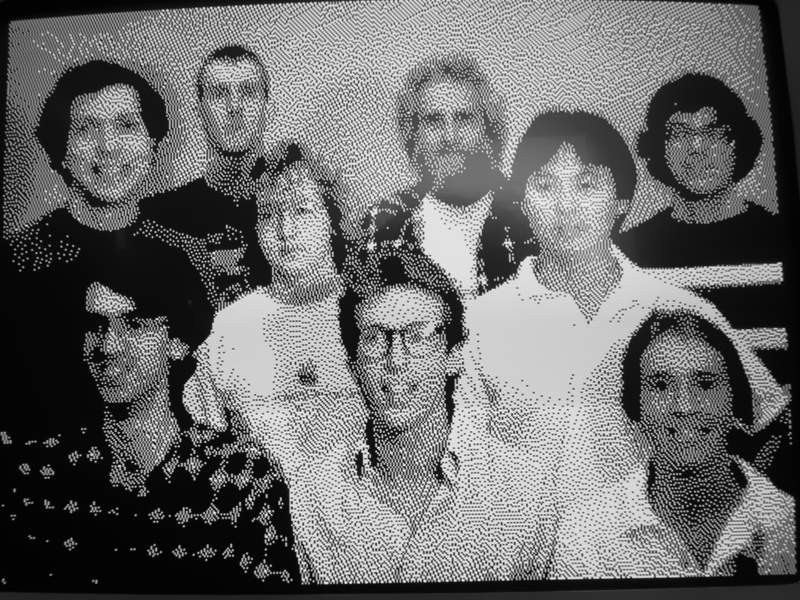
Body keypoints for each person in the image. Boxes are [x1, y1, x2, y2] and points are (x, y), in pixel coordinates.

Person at [460, 110, 788, 505]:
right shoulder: (483, 320)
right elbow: (462, 455)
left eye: (586, 184)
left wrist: (736, 510)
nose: (566, 205)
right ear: (523, 203)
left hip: (645, 541)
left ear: (621, 200)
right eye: (545, 185)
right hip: (525, 541)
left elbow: (773, 418)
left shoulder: (679, 308)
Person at [0, 254, 299, 591]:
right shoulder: (39, 478)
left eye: (135, 324)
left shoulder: (241, 477)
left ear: (176, 343)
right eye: (95, 326)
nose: (109, 345)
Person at [288, 246, 557, 585]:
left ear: (454, 355)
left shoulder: (525, 490)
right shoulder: (313, 494)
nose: (396, 360)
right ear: (352, 364)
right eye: (374, 339)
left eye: (417, 336)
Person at [1, 59, 209, 438]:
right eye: (86, 129)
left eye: (126, 125)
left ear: (153, 143)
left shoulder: (184, 254)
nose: (108, 146)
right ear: (60, 152)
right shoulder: (17, 260)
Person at [613, 73, 791, 491]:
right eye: (678, 134)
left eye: (714, 131)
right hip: (670, 471)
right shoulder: (632, 256)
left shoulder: (783, 239)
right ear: (658, 150)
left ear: (738, 143)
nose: (697, 147)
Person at [549, 311, 795, 579]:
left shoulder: (786, 521)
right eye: (660, 385)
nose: (684, 406)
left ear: (735, 400)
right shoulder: (585, 537)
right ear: (635, 409)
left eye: (705, 384)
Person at [182, 140, 363, 486]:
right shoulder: (229, 327)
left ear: (332, 219)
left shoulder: (366, 314)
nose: (284, 230)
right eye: (268, 214)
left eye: (302, 211)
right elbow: (206, 446)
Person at [359, 51, 532, 300]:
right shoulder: (381, 223)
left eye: (464, 118)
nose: (450, 136)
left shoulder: (529, 216)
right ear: (413, 134)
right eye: (433, 120)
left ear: (488, 130)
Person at [141, 44, 271, 308]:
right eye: (219, 93)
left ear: (268, 107)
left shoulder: (295, 212)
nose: (234, 106)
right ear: (199, 110)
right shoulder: (160, 217)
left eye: (248, 92)